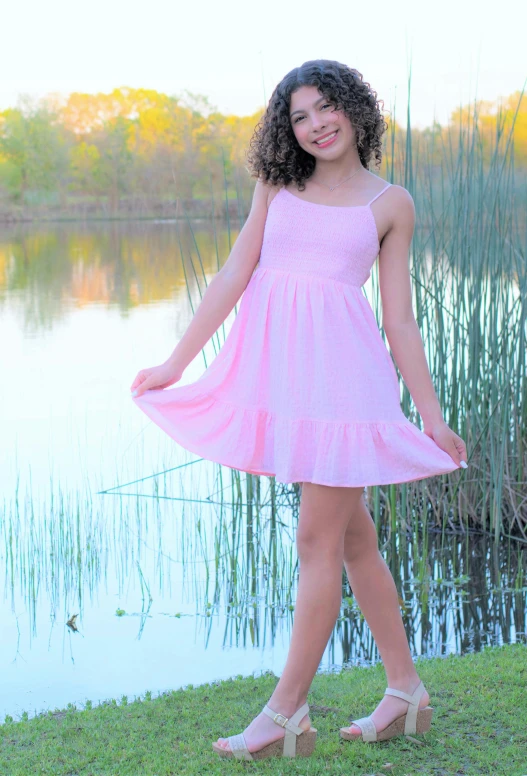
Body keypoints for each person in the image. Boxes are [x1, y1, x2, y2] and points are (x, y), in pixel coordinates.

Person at [130, 59, 468, 761]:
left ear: (353, 107)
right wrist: (174, 363)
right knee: (352, 542)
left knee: (318, 542)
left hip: (346, 390)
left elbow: (399, 322)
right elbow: (235, 272)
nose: (315, 125)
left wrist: (430, 415)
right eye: (299, 116)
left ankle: (286, 715)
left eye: (325, 108)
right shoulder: (277, 184)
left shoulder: (389, 203)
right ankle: (404, 692)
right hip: (284, 381)